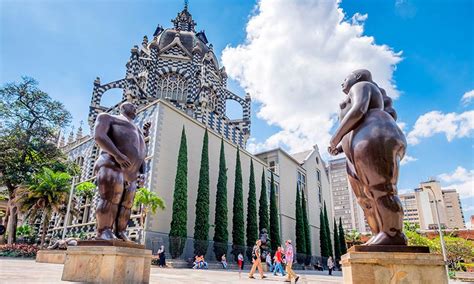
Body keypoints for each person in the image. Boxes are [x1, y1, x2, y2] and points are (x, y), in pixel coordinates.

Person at [328, 69, 407, 246]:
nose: (343, 82)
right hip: (356, 149)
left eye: (345, 78)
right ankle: (379, 232)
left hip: (373, 138)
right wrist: (340, 147)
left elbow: (359, 109)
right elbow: (354, 127)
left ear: (356, 78)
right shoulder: (358, 88)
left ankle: (393, 233)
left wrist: (335, 138)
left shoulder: (361, 85)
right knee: (364, 198)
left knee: (380, 188)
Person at [93, 102, 151, 241]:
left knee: (127, 205)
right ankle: (104, 231)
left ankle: (121, 231)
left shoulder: (137, 129)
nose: (135, 107)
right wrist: (117, 155)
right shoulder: (108, 117)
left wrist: (141, 171)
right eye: (132, 106)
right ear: (123, 108)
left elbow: (140, 151)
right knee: (110, 198)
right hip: (112, 164)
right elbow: (99, 136)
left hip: (131, 173)